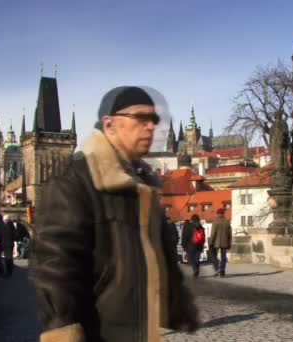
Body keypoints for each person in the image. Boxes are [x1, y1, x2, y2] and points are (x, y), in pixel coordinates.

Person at [29, 86, 198, 342]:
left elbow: (159, 253)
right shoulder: (74, 179)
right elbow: (53, 263)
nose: (150, 127)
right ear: (109, 125)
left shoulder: (143, 185)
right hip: (98, 330)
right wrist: (61, 328)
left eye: (153, 120)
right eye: (140, 119)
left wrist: (178, 303)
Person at [209, 208, 232, 278]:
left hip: (216, 243)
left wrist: (211, 242)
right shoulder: (227, 222)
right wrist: (229, 243)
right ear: (223, 214)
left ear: (218, 214)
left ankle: (217, 268)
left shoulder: (215, 222)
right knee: (223, 257)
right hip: (225, 243)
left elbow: (213, 234)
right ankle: (222, 271)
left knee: (213, 255)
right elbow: (230, 235)